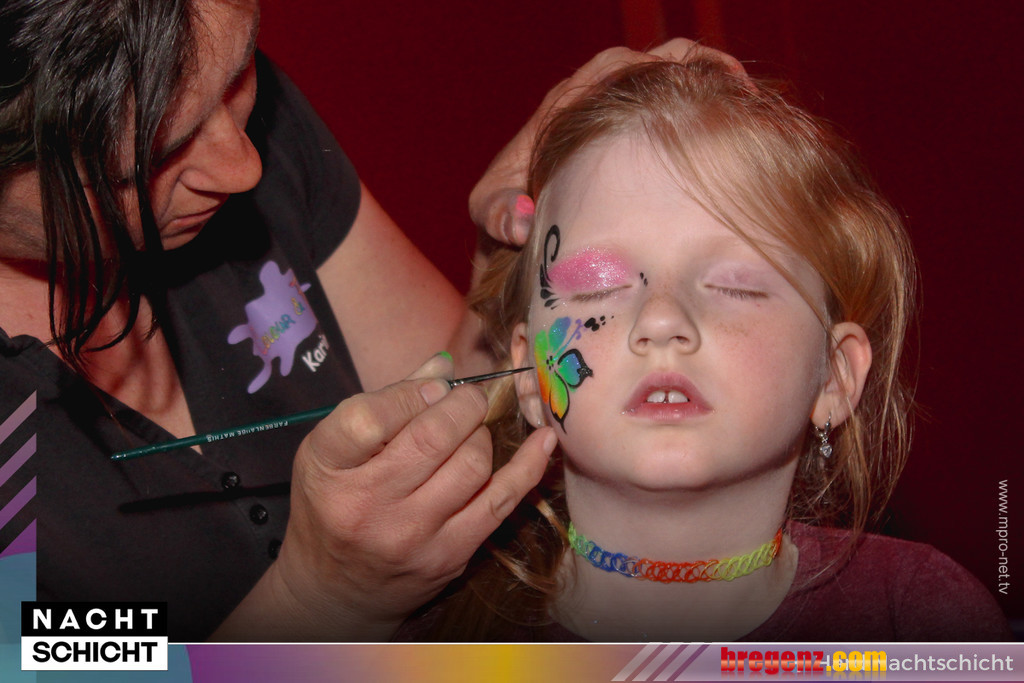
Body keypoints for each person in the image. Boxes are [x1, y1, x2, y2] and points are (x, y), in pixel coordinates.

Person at [0, 0, 731, 641]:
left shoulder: (228, 117)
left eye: (239, 73)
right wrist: (320, 603)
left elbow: (462, 394)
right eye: (147, 160)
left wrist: (506, 270)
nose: (243, 168)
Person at [397, 58, 1013, 641]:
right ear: (530, 377)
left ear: (834, 376)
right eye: (598, 286)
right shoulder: (431, 636)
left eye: (735, 286)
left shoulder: (918, 617)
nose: (662, 319)